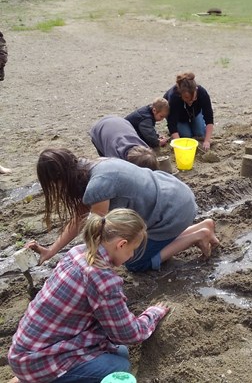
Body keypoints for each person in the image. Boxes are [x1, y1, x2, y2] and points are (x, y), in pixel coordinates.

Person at [8, 209, 169, 383]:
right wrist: (152, 314)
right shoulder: (102, 278)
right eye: (133, 250)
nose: (131, 256)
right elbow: (129, 334)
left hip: (24, 350)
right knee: (119, 367)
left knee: (119, 350)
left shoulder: (78, 252)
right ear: (121, 244)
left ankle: (28, 377)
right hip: (39, 360)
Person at [28, 148, 219, 272]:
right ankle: (202, 227)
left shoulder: (97, 186)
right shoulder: (91, 166)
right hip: (174, 194)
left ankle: (198, 235)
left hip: (170, 212)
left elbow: (98, 234)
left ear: (59, 180)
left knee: (134, 262)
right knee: (132, 246)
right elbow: (80, 218)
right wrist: (51, 251)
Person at [163, 72, 214, 151]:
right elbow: (172, 123)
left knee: (200, 133)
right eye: (186, 98)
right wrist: (179, 144)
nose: (190, 101)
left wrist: (207, 141)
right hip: (178, 117)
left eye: (194, 98)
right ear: (180, 94)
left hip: (194, 112)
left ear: (196, 90)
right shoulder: (174, 97)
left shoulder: (202, 93)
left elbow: (209, 117)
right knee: (187, 135)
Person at [89, 115, 159, 170]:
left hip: (120, 122)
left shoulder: (144, 148)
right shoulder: (114, 158)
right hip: (99, 128)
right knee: (105, 163)